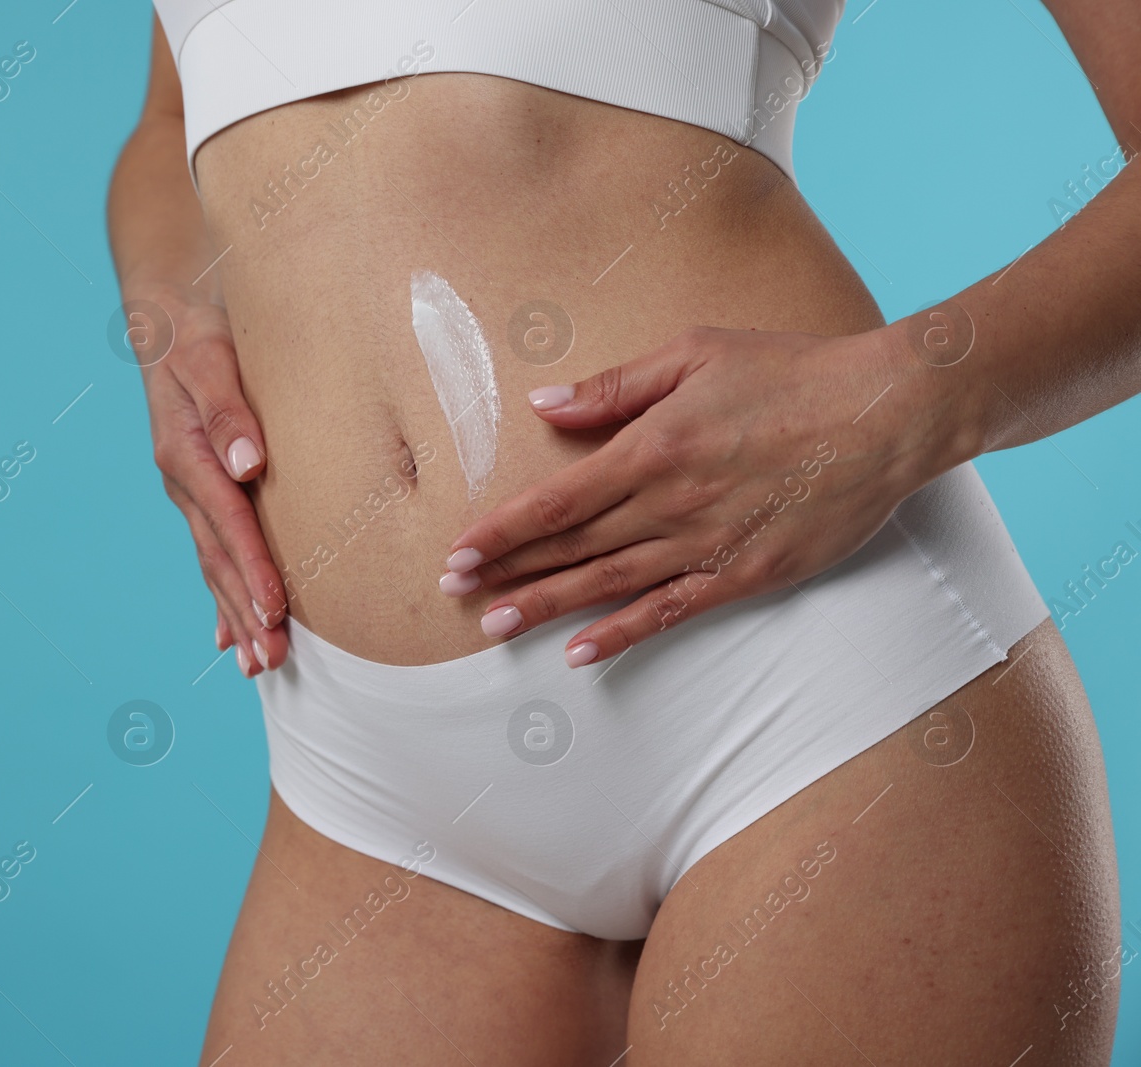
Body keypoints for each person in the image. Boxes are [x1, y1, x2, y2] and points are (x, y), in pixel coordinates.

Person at [107, 2, 1134, 1062]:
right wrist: (166, 314)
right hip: (367, 774)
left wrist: (902, 402)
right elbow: (170, 119)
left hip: (803, 697)